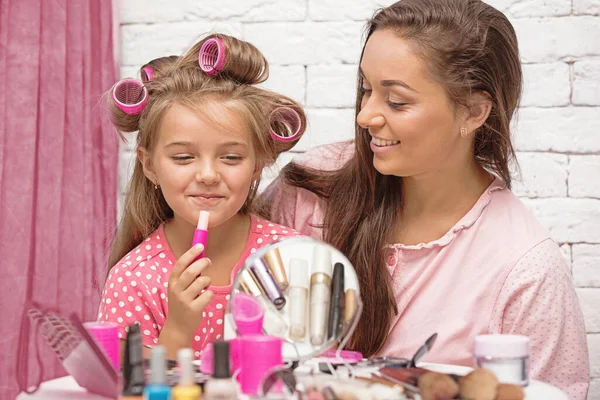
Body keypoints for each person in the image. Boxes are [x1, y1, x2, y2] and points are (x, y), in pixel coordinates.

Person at [260, 0, 590, 398]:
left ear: (473, 111)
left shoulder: (525, 272)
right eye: (366, 90)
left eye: (396, 101)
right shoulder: (310, 190)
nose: (366, 116)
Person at [98, 33, 306, 360]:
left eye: (231, 158)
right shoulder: (133, 279)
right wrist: (179, 327)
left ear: (258, 164)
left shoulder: (292, 257)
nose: (208, 175)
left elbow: (319, 367)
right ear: (150, 165)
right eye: (183, 158)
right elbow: (129, 391)